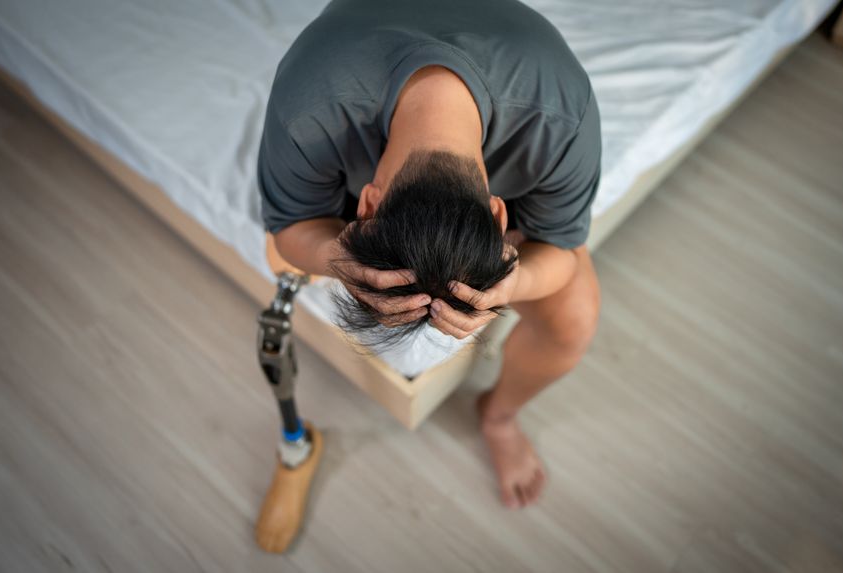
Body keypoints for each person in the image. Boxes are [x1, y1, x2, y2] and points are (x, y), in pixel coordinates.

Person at [257, 0, 601, 509]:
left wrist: (516, 283)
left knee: (574, 319)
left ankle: (499, 416)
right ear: (367, 204)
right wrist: (338, 258)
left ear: (500, 219)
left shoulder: (561, 119)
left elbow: (563, 250)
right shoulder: (309, 108)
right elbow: (289, 229)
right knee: (281, 258)